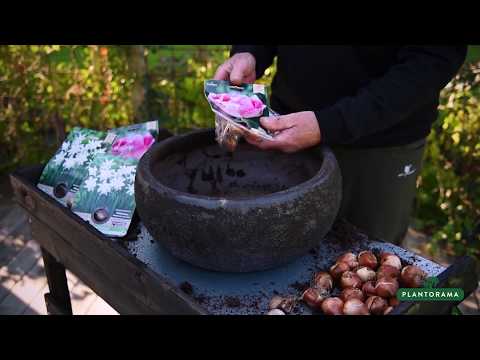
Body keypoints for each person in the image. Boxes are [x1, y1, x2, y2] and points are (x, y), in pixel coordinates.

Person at [214, 46, 467, 245]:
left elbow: (433, 59)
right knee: (278, 245)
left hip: (379, 145)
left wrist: (331, 124)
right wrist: (250, 51)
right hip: (286, 127)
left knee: (365, 263)